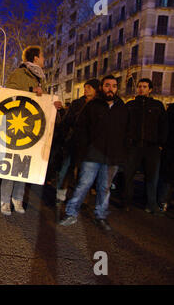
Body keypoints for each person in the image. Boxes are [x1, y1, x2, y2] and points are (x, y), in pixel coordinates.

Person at [59, 75, 129, 231]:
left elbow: (127, 133)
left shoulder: (122, 108)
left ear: (117, 88)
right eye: (107, 85)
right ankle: (71, 213)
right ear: (101, 87)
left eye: (114, 86)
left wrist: (122, 153)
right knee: (83, 185)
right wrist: (85, 149)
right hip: (92, 155)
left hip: (112, 157)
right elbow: (81, 129)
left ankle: (101, 216)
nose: (110, 88)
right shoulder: (92, 106)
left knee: (105, 188)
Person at [0, 45, 62, 216]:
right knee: (12, 165)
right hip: (16, 125)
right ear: (35, 58)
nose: (44, 60)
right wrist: (30, 91)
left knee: (24, 166)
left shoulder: (40, 78)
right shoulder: (19, 74)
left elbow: (41, 102)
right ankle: (5, 200)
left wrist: (53, 105)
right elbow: (9, 92)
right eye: (42, 56)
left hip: (32, 128)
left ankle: (17, 199)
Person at [122, 78, 167, 214]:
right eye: (140, 86)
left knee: (151, 177)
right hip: (133, 146)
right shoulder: (130, 105)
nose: (141, 88)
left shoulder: (157, 105)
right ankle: (126, 203)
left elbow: (164, 126)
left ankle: (151, 204)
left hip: (151, 147)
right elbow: (124, 124)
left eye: (145, 86)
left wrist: (160, 144)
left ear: (150, 89)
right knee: (128, 175)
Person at [55, 79, 99, 215]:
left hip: (90, 145)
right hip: (73, 141)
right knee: (66, 169)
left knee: (84, 174)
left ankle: (82, 200)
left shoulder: (99, 105)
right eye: (85, 87)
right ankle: (60, 194)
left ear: (96, 89)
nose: (86, 90)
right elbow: (67, 121)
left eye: (89, 87)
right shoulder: (77, 103)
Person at [157, 102, 174, 213]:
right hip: (171, 148)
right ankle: (162, 202)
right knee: (167, 178)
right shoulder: (173, 108)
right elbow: (166, 127)